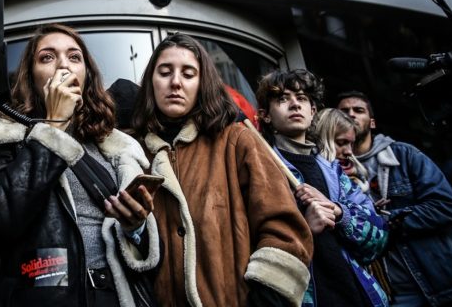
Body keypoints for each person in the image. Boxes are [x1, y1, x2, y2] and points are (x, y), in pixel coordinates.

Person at [0, 24, 160, 307]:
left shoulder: (116, 146)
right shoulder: (4, 139)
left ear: (86, 77)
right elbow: (3, 220)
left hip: (114, 294)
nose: (63, 65)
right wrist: (54, 125)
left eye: (74, 57)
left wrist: (134, 227)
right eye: (47, 57)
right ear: (30, 77)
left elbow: (143, 251)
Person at [130, 33, 314, 307]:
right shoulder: (135, 153)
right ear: (151, 83)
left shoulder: (237, 140)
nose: (176, 82)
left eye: (189, 74)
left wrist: (266, 300)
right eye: (165, 72)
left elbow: (285, 230)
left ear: (203, 83)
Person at [256, 69, 388, 307]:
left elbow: (378, 238)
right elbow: (258, 255)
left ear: (313, 110)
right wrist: (305, 229)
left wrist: (339, 212)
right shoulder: (262, 169)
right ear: (265, 115)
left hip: (360, 295)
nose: (295, 104)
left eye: (302, 98)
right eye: (283, 98)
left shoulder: (334, 171)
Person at [337, 91, 452, 307]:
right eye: (343, 111)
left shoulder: (404, 155)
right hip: (395, 293)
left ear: (372, 123)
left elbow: (447, 208)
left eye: (358, 110)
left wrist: (387, 221)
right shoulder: (334, 171)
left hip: (445, 281)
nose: (350, 115)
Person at [314, 108, 369, 192]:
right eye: (341, 142)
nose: (349, 152)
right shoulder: (313, 175)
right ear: (321, 140)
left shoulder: (358, 173)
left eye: (351, 144)